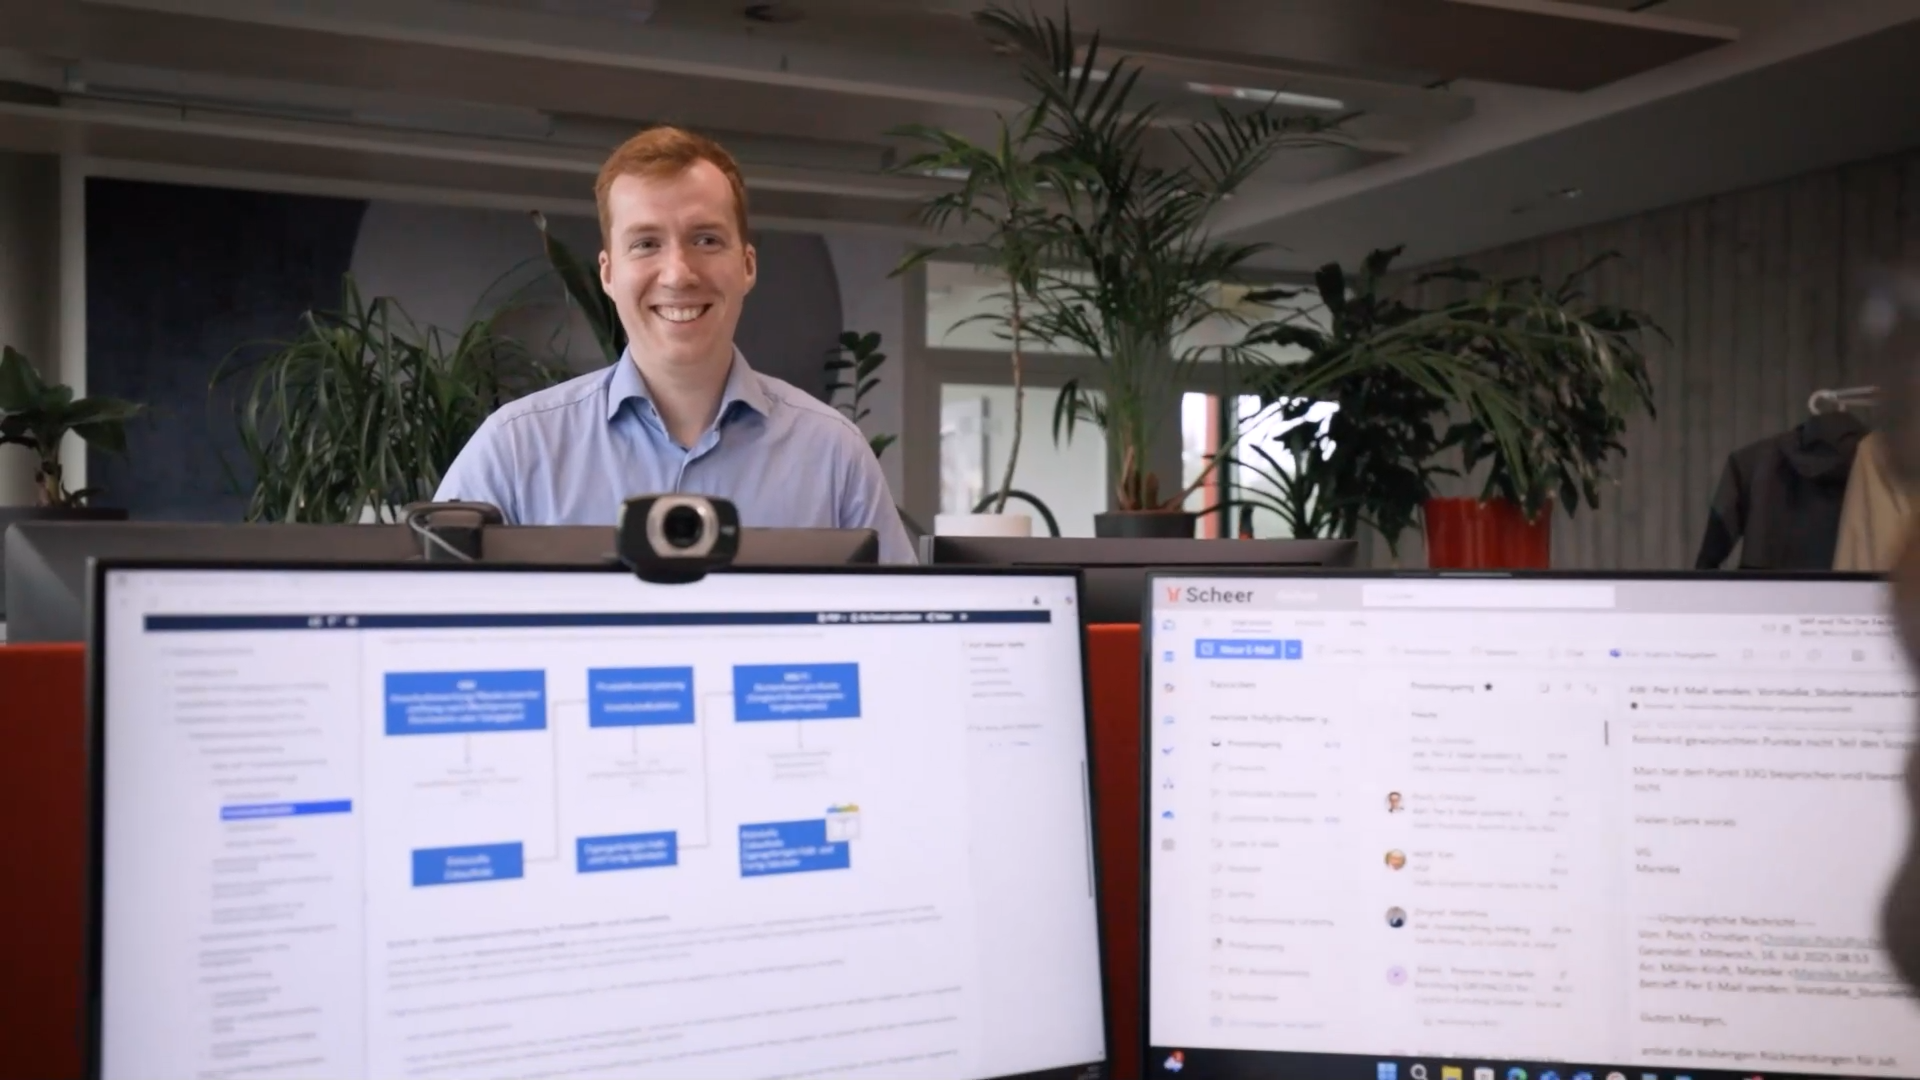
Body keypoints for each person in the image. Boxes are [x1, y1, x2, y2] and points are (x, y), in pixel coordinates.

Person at [434, 125, 916, 564]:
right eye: (646, 243)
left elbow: (900, 626)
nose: (678, 274)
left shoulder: (833, 455)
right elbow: (429, 620)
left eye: (706, 240)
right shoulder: (515, 450)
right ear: (608, 273)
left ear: (747, 265)